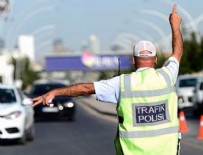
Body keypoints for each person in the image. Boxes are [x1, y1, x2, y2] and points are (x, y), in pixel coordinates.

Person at [32, 4, 183, 155]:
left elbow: (85, 88)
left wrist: (55, 92)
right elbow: (177, 52)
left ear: (133, 60)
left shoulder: (122, 83)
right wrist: (175, 25)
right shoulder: (167, 76)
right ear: (155, 60)